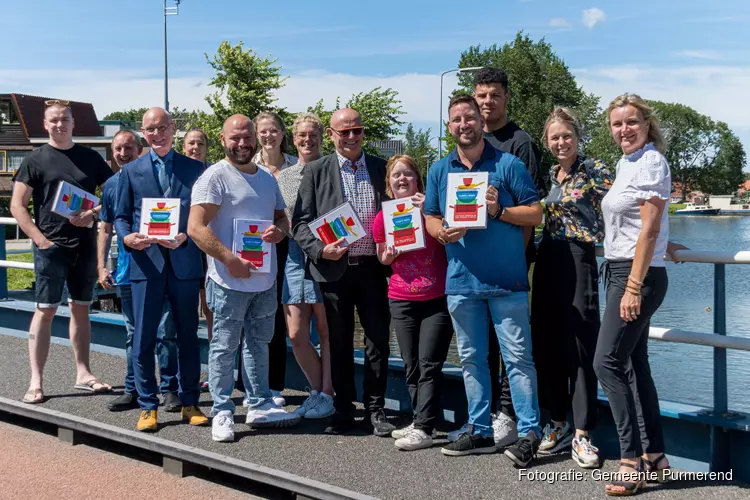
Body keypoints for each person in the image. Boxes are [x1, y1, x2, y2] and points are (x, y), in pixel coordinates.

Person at [424, 95, 542, 466]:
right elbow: (429, 215)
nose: (464, 124)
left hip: (506, 283)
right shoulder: (440, 170)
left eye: (469, 117)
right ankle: (479, 429)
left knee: (518, 360)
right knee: (473, 360)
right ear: (449, 126)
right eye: (456, 119)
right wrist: (443, 233)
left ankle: (529, 433)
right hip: (461, 283)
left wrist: (499, 210)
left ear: (481, 121)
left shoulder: (508, 164)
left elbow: (535, 213)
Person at [188, 114, 299, 443]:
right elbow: (195, 227)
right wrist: (228, 259)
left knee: (258, 343)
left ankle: (259, 402)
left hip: (264, 280)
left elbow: (281, 218)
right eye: (234, 138)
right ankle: (222, 410)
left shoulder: (266, 178)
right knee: (224, 346)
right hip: (227, 281)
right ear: (222, 140)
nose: (242, 144)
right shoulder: (214, 178)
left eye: (246, 137)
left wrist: (279, 230)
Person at [595, 94, 686, 495]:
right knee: (633, 365)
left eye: (631, 122)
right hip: (626, 269)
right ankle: (657, 457)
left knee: (606, 362)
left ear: (647, 124)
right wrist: (667, 242)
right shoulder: (627, 163)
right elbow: (642, 223)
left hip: (636, 276)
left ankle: (629, 460)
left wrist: (633, 286)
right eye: (617, 124)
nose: (623, 130)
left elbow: (648, 227)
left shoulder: (651, 162)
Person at [292, 108, 395, 437]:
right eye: (344, 132)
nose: (351, 137)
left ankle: (375, 408)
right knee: (338, 342)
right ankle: (343, 409)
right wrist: (321, 250)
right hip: (335, 270)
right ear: (332, 135)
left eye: (357, 130)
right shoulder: (316, 171)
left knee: (378, 340)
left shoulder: (381, 168)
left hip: (373, 269)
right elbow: (299, 223)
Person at [11, 100, 114, 404]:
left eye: (65, 119)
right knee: (45, 311)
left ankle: (84, 373)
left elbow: (111, 195)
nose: (60, 124)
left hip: (83, 246)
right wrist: (40, 240)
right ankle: (36, 381)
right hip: (50, 248)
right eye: (54, 120)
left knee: (82, 309)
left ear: (72, 122)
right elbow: (17, 204)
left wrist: (93, 213)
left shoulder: (90, 158)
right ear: (45, 124)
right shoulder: (35, 159)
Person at [114, 107, 208, 432]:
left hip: (184, 262)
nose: (158, 134)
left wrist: (188, 235)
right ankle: (147, 405)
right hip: (146, 265)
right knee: (143, 338)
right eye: (151, 129)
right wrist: (127, 236)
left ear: (174, 128)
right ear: (144, 133)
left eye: (163, 127)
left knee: (187, 337)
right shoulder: (131, 170)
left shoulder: (196, 169)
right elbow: (122, 215)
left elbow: (205, 215)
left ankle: (190, 401)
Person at [531, 107, 614, 467]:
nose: (561, 142)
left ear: (577, 138)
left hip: (580, 260)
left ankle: (583, 433)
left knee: (579, 346)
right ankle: (558, 423)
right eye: (554, 137)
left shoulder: (594, 170)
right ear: (547, 142)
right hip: (548, 258)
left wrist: (661, 242)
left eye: (566, 136)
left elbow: (625, 207)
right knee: (546, 343)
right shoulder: (551, 175)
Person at [467, 67, 546, 445]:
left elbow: (530, 209)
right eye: (481, 96)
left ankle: (509, 414)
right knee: (480, 342)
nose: (487, 102)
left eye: (494, 95)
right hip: (474, 263)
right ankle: (486, 417)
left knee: (511, 343)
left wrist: (519, 255)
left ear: (506, 98)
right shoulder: (470, 143)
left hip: (509, 261)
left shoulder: (519, 143)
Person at [373, 155, 452, 451]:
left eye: (407, 174)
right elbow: (382, 256)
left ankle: (424, 428)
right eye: (396, 176)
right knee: (411, 365)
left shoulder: (432, 210)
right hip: (401, 298)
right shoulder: (384, 217)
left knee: (430, 364)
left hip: (437, 297)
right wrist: (389, 256)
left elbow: (450, 237)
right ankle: (421, 420)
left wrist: (430, 210)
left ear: (418, 179)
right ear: (389, 184)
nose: (402, 179)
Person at [98, 130, 180, 412]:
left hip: (160, 267)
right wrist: (101, 266)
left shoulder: (157, 180)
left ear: (140, 148)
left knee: (166, 331)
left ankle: (170, 389)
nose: (123, 153)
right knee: (135, 334)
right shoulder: (110, 185)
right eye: (118, 148)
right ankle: (134, 388)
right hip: (126, 272)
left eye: (129, 147)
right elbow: (106, 228)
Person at [276, 113, 334, 420]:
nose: (307, 140)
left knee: (326, 331)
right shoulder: (284, 177)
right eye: (302, 135)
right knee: (297, 333)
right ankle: (319, 391)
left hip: (327, 256)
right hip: (296, 259)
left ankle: (327, 395)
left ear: (321, 136)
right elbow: (284, 219)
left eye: (313, 134)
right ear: (294, 139)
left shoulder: (331, 170)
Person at [253, 111, 298, 407]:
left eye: (274, 130)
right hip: (257, 247)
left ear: (283, 133)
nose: (268, 136)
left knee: (283, 318)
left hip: (291, 248)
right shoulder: (248, 166)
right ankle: (252, 385)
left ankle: (276, 385)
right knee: (256, 315)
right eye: (263, 131)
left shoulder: (298, 166)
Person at [182, 126, 213, 391]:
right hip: (183, 252)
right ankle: (187, 373)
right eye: (191, 143)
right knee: (186, 316)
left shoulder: (214, 174)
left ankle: (215, 373)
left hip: (211, 252)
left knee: (211, 312)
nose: (195, 148)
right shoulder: (178, 174)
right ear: (183, 147)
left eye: (200, 144)